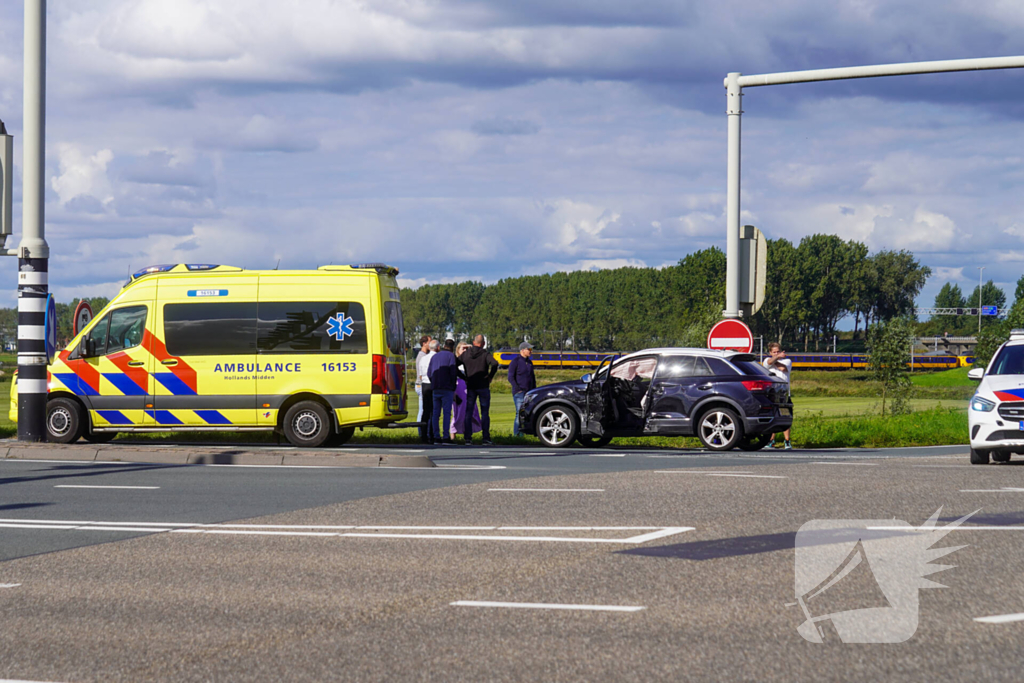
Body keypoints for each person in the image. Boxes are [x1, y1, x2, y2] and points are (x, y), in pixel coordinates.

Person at [457, 334, 499, 445]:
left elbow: (454, 364)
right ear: (483, 343)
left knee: (469, 412)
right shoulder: (485, 354)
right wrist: (490, 376)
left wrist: (463, 377)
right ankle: (485, 437)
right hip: (483, 385)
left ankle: (468, 438)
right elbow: (495, 363)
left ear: (473, 342)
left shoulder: (466, 354)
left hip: (471, 385)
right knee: (484, 412)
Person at [428, 338, 459, 445]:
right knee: (446, 413)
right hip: (447, 388)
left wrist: (434, 382)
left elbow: (429, 373)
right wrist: (453, 386)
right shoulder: (451, 356)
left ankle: (436, 437)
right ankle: (446, 436)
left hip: (436, 388)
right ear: (452, 347)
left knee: (436, 413)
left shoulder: (435, 356)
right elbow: (453, 372)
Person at [762, 341, 793, 450]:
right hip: (771, 394)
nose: (776, 353)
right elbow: (768, 363)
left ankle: (787, 441)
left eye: (778, 352)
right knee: (772, 418)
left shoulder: (787, 361)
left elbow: (782, 368)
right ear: (770, 352)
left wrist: (776, 359)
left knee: (786, 418)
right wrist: (776, 358)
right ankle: (771, 441)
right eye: (774, 352)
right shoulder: (766, 360)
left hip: (784, 394)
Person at [451, 342, 482, 440]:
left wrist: (471, 348)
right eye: (463, 349)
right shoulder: (455, 361)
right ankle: (453, 435)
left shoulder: (470, 361)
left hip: (469, 388)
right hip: (459, 388)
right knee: (458, 412)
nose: (465, 351)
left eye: (466, 349)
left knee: (470, 412)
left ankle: (467, 434)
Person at [508, 341, 536, 436]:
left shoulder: (530, 362)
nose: (531, 351)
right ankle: (517, 435)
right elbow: (510, 377)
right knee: (519, 413)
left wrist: (534, 390)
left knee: (527, 414)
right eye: (529, 349)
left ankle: (525, 434)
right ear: (522, 350)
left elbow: (532, 378)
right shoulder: (515, 361)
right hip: (519, 393)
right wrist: (518, 389)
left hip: (529, 393)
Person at [416, 339, 436, 443]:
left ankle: (423, 435)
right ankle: (431, 434)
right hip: (431, 383)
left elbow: (420, 374)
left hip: (424, 384)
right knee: (432, 411)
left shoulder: (423, 358)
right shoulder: (434, 357)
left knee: (425, 411)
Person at [414, 335, 431, 425]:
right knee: (422, 410)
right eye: (429, 342)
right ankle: (421, 429)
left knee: (424, 409)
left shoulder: (424, 355)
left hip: (420, 385)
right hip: (421, 385)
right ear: (424, 343)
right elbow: (421, 374)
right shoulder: (422, 356)